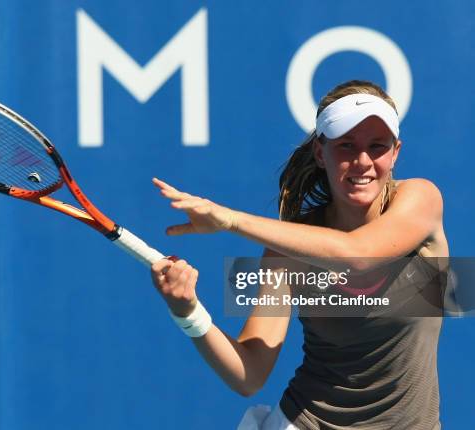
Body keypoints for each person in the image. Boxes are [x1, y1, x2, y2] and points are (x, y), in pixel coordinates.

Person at [150, 80, 448, 429]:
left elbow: (359, 255)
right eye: (346, 145)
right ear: (321, 154)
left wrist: (230, 220)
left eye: (377, 146)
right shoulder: (288, 252)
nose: (362, 161)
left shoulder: (421, 200)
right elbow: (250, 375)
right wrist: (188, 312)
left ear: (395, 153)